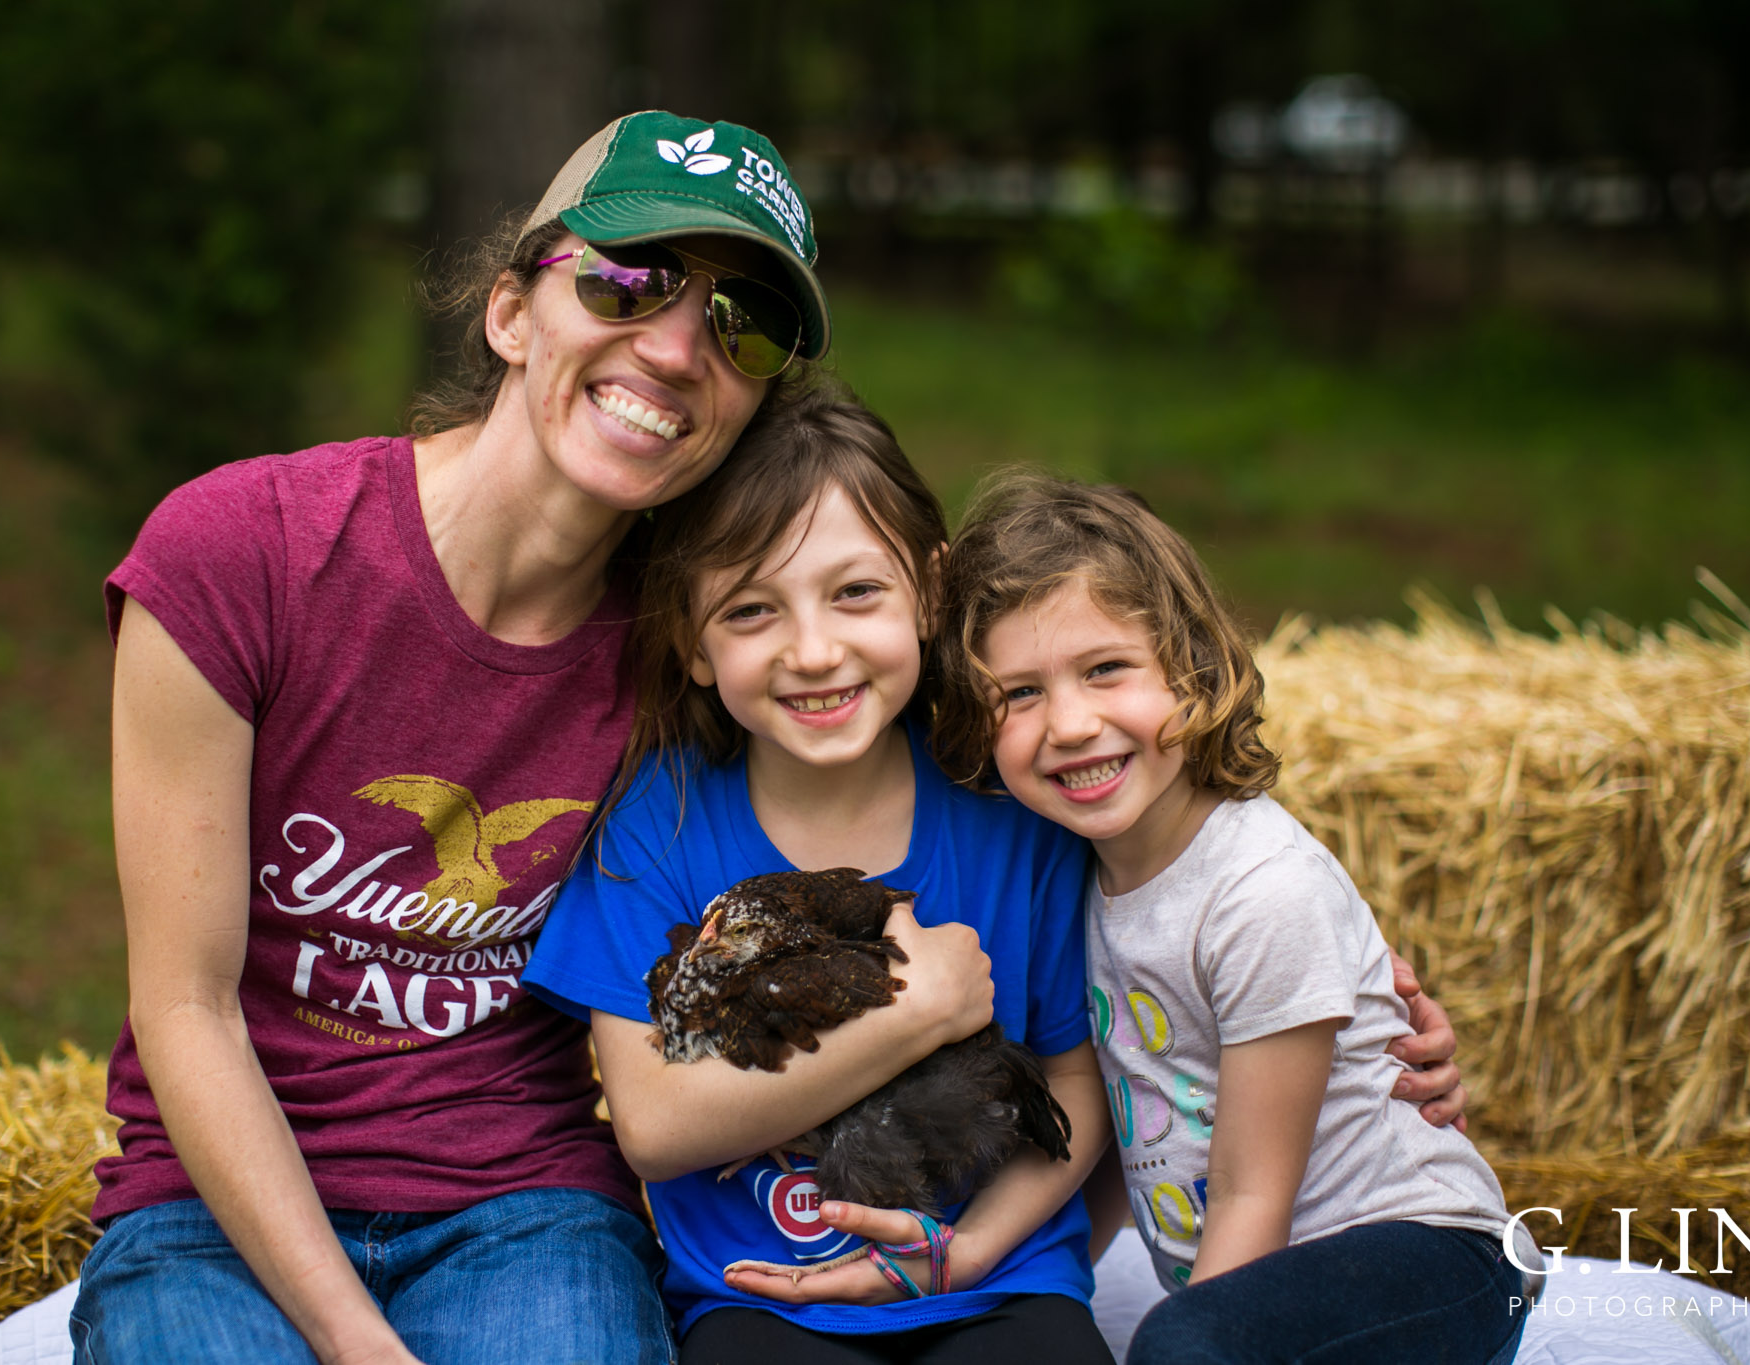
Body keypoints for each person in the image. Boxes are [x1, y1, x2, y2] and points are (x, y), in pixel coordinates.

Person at [70, 111, 858, 1365]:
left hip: (523, 1210)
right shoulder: (238, 555)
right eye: (627, 280)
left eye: (738, 322)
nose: (668, 347)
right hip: (210, 1216)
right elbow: (186, 1011)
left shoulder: (702, 653)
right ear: (508, 312)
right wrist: (358, 1344)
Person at [521, 390, 1473, 1365]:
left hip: (1002, 1283)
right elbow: (653, 1126)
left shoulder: (1014, 801)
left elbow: (1141, 983)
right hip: (763, 1304)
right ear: (689, 637)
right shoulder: (659, 822)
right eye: (752, 610)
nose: (813, 650)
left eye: (855, 593)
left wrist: (1356, 988)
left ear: (928, 595)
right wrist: (913, 1012)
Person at [931, 470, 1538, 1365]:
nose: (1068, 721)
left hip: (1432, 1258)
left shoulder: (1259, 892)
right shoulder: (1076, 876)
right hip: (1283, 1288)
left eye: (1106, 669)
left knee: (1181, 1345)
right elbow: (1130, 1124)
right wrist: (1017, 1299)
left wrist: (1196, 1341)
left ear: (1191, 668)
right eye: (1018, 693)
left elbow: (1252, 1193)